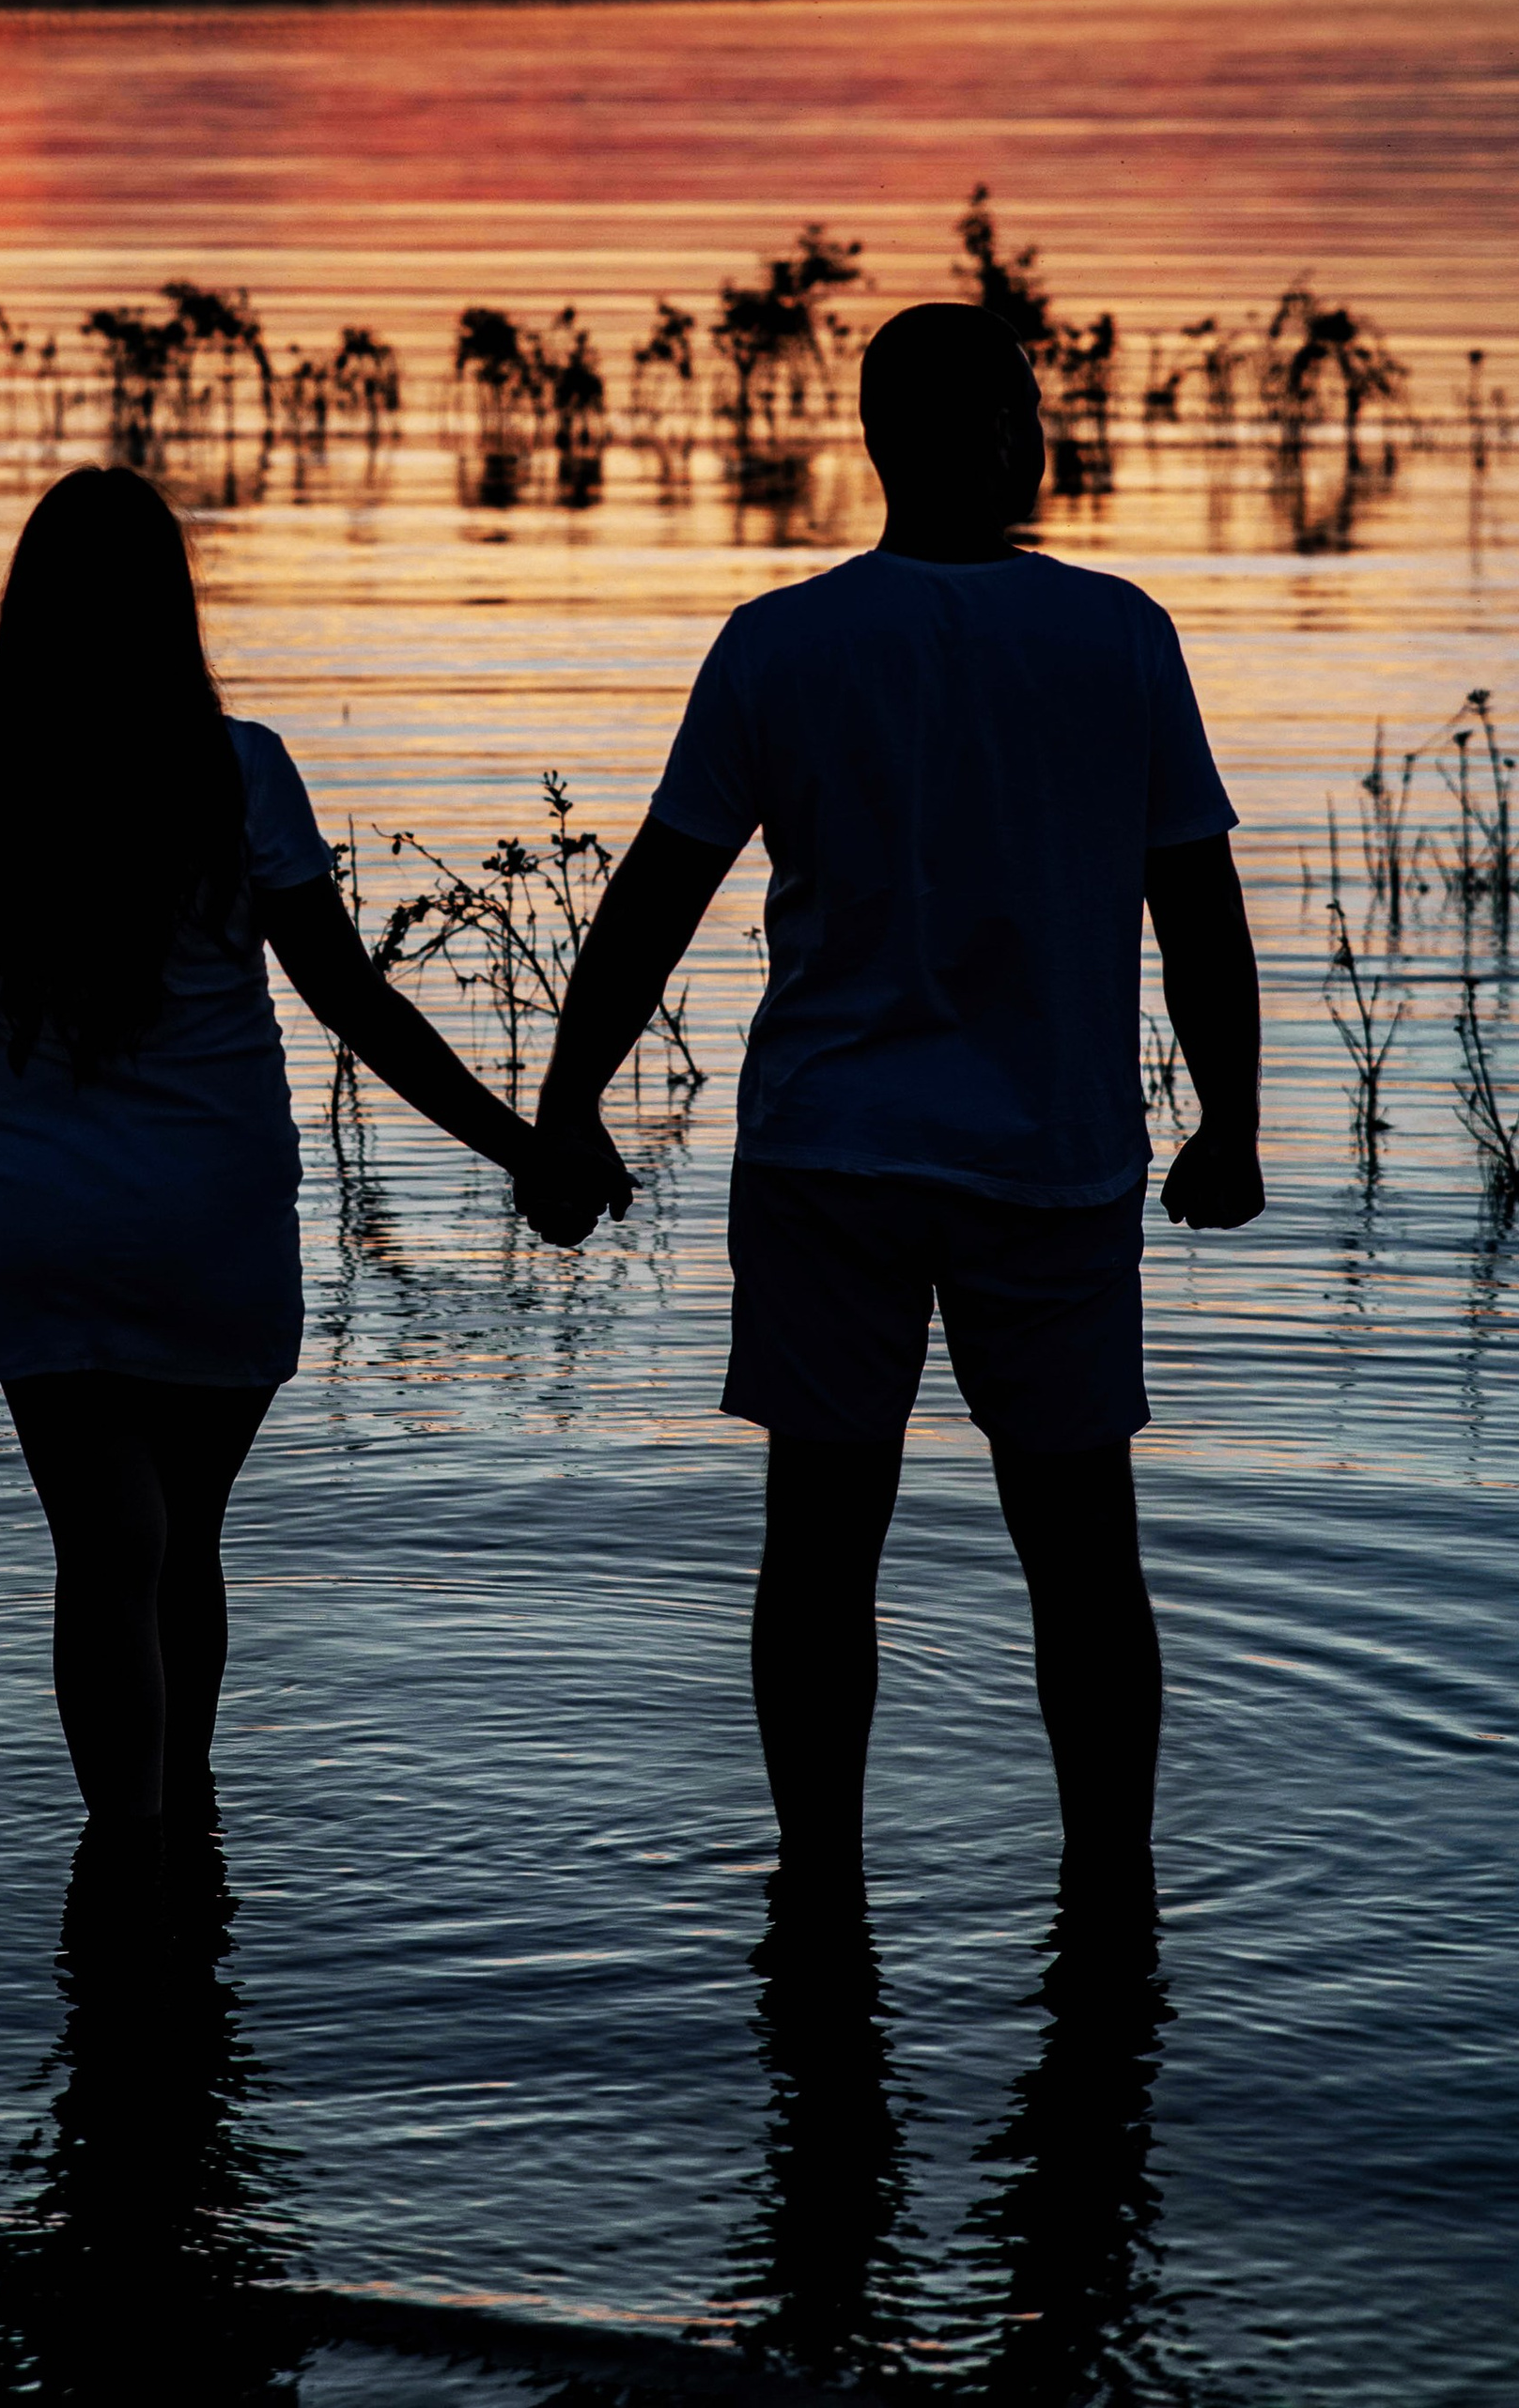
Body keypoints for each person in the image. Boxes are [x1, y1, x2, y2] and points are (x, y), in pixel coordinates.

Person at [534, 302, 1263, 1912]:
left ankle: (822, 1887)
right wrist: (1232, 1119)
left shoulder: (784, 642)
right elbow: (1198, 903)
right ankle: (1110, 1893)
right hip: (1047, 1163)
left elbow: (655, 898)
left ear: (874, 442)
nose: (1038, 426)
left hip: (831, 1154)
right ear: (998, 436)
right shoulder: (1119, 636)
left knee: (821, 1547)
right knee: (1081, 1553)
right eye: (1023, 401)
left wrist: (567, 1105)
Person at [0, 465, 620, 1845]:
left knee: (106, 1558)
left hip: (34, 1223)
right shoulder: (239, 775)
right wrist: (523, 1143)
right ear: (172, 608)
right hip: (205, 1224)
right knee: (178, 1544)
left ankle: (132, 1854)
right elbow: (356, 1003)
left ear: (27, 611)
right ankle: (181, 1836)